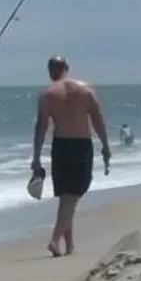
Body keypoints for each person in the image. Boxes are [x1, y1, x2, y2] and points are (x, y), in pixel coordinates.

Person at [31, 55, 111, 257]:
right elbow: (98, 120)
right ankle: (55, 240)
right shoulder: (85, 90)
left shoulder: (47, 94)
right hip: (81, 145)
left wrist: (36, 157)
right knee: (71, 197)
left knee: (66, 196)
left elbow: (41, 127)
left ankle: (70, 245)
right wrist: (106, 145)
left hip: (60, 146)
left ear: (50, 71)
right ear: (67, 67)